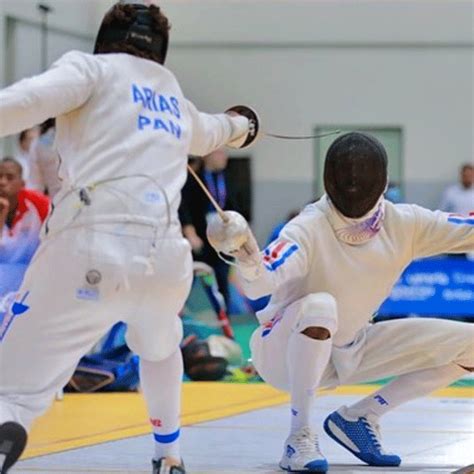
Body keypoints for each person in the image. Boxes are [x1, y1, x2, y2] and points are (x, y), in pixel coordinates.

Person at [0, 2, 254, 474]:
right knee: (159, 344)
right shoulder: (172, 95)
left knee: (10, 392)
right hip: (164, 263)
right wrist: (246, 125)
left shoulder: (91, 70)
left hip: (89, 248)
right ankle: (168, 453)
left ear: (104, 39)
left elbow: (23, 102)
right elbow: (220, 129)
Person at [207, 132, 474, 472]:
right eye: (347, 179)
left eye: (362, 178)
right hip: (282, 354)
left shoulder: (405, 223)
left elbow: (468, 228)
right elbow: (261, 281)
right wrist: (245, 253)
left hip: (350, 349)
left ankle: (363, 415)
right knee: (321, 305)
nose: (353, 185)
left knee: (471, 345)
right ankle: (299, 437)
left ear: (383, 182)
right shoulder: (307, 227)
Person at [180, 148, 243, 305]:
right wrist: (190, 233)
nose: (224, 157)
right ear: (207, 154)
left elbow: (235, 208)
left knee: (222, 283)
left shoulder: (229, 178)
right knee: (190, 281)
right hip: (200, 240)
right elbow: (184, 208)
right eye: (220, 153)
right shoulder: (194, 177)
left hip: (222, 241)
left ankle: (224, 321)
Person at [0, 157, 49, 297]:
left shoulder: (39, 203)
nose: (2, 182)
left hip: (31, 273)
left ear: (22, 183)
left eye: (9, 177)